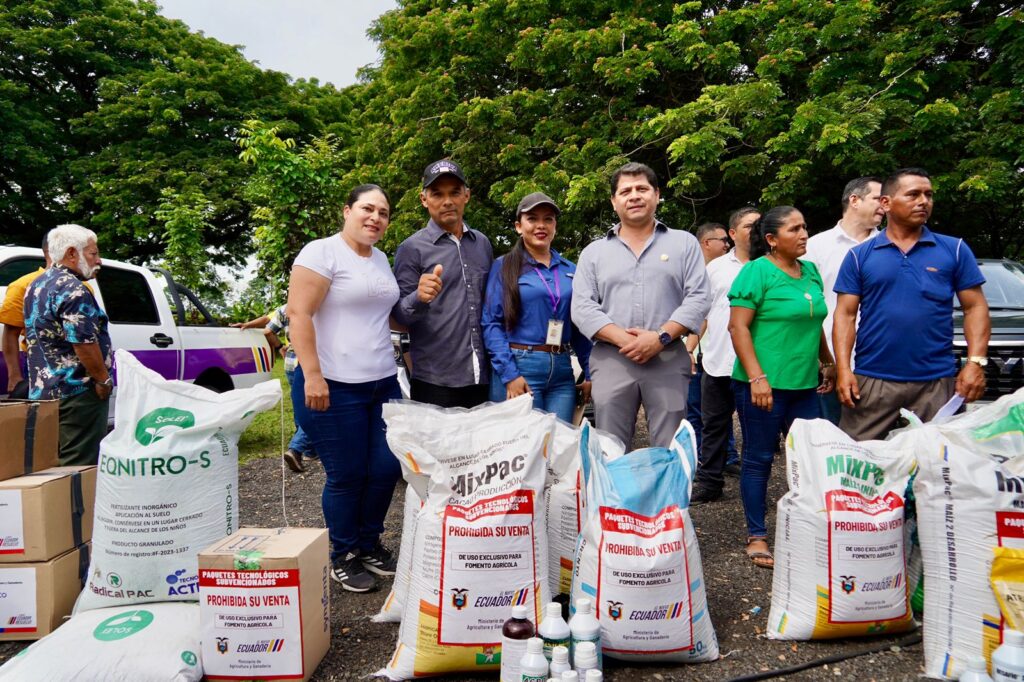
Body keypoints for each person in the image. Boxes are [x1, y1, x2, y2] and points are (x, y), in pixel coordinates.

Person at [287, 184, 402, 593]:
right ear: (347, 211)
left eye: (383, 213)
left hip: (382, 382)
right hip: (333, 385)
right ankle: (343, 553)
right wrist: (313, 375)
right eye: (367, 209)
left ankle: (369, 543)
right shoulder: (322, 252)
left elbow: (385, 316)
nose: (375, 218)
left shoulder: (381, 259)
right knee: (347, 474)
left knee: (387, 468)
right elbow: (299, 314)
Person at [834, 168, 990, 440]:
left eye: (928, 195)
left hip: (936, 382)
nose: (924, 201)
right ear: (886, 203)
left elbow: (975, 308)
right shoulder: (859, 256)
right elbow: (845, 315)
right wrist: (844, 370)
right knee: (859, 457)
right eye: (913, 194)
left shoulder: (954, 249)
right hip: (872, 379)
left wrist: (975, 363)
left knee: (937, 462)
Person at [571, 162, 711, 449]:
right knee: (609, 446)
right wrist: (627, 341)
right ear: (614, 201)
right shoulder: (594, 252)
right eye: (625, 191)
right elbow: (583, 307)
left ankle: (667, 483)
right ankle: (614, 483)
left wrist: (659, 337)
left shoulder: (684, 244)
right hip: (612, 358)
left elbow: (699, 297)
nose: (634, 196)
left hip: (667, 356)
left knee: (670, 446)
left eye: (642, 189)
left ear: (656, 194)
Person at [728, 206, 835, 568]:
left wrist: (828, 362)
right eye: (794, 229)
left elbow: (813, 322)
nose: (804, 234)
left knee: (810, 458)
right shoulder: (756, 271)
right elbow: (737, 328)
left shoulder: (811, 271)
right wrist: (757, 378)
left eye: (805, 227)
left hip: (805, 385)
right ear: (772, 239)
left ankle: (808, 529)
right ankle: (756, 535)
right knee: (758, 458)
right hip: (763, 386)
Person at [481, 192, 592, 423]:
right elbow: (491, 323)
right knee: (522, 443)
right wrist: (509, 374)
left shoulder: (571, 269)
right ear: (518, 227)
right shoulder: (504, 267)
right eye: (532, 219)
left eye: (548, 219)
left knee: (559, 441)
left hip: (562, 371)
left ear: (555, 226)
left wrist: (590, 372)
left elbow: (580, 326)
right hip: (520, 366)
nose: (541, 225)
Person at [392, 159, 493, 408]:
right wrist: (418, 297)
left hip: (482, 375)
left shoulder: (482, 244)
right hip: (434, 379)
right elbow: (399, 315)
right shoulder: (411, 248)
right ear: (424, 199)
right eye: (437, 194)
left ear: (466, 196)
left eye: (454, 192)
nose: (447, 201)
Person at [23, 224, 111, 466]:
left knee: (51, 464)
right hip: (77, 392)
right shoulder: (74, 289)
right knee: (78, 465)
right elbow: (84, 343)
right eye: (93, 253)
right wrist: (103, 380)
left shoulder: (37, 285)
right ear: (72, 253)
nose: (98, 261)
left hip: (44, 392)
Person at [690, 208, 759, 505]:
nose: (755, 230)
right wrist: (689, 347)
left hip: (757, 365)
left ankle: (754, 487)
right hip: (718, 360)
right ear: (732, 233)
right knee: (713, 426)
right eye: (748, 225)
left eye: (759, 224)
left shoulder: (771, 266)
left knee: (756, 430)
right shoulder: (715, 269)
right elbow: (702, 313)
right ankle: (709, 483)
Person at [804, 176, 883, 424]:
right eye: (878, 198)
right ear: (854, 200)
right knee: (830, 434)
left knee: (876, 437)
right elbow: (805, 305)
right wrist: (822, 359)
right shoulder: (815, 247)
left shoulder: (889, 246)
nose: (885, 205)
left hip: (880, 361)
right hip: (828, 360)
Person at [232, 305, 318, 472]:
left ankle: (310, 450)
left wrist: (279, 347)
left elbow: (267, 330)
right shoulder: (318, 305)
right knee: (316, 407)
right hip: (311, 362)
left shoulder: (286, 308)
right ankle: (297, 448)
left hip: (290, 363)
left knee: (300, 406)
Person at [685, 222, 732, 463]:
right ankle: (698, 457)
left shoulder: (732, 272)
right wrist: (687, 349)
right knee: (695, 409)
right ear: (706, 243)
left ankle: (729, 457)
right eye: (723, 240)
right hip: (694, 353)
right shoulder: (688, 275)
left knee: (721, 410)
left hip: (719, 354)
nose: (727, 245)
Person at [1, 236, 51, 398]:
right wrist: (14, 376)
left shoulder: (83, 286)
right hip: (40, 366)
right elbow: (10, 333)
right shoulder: (23, 285)